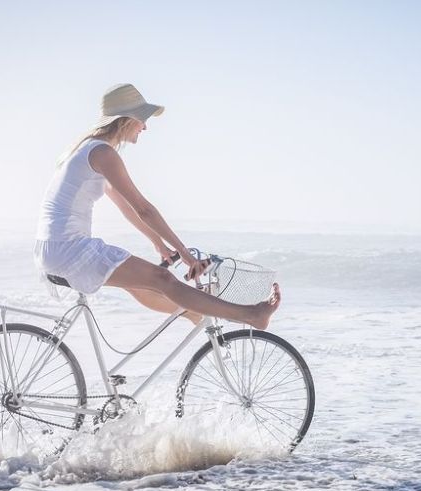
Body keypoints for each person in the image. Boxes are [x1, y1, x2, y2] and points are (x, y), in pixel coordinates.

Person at [34, 84, 280, 329]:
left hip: (54, 249)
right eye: (143, 119)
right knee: (163, 278)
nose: (145, 126)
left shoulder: (88, 149)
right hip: (69, 250)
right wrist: (183, 253)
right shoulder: (103, 154)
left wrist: (160, 245)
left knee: (139, 281)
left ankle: (191, 313)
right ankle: (251, 314)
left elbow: (127, 209)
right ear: (127, 119)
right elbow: (144, 209)